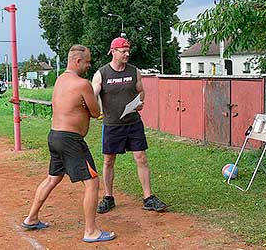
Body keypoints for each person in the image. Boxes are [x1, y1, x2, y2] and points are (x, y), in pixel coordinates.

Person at [22, 45, 116, 243]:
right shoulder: (82, 84)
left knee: (52, 178)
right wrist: (92, 107)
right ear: (77, 61)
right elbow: (95, 111)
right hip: (70, 140)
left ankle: (31, 218)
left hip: (55, 136)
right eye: (88, 61)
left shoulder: (60, 80)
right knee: (92, 182)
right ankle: (91, 231)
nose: (89, 65)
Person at [92, 37, 168, 214]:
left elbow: (141, 91)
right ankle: (109, 197)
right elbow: (93, 94)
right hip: (112, 125)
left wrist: (140, 102)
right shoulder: (102, 74)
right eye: (123, 51)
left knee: (141, 158)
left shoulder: (134, 72)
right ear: (113, 51)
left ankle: (148, 198)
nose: (127, 54)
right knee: (108, 160)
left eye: (128, 51)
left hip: (133, 123)